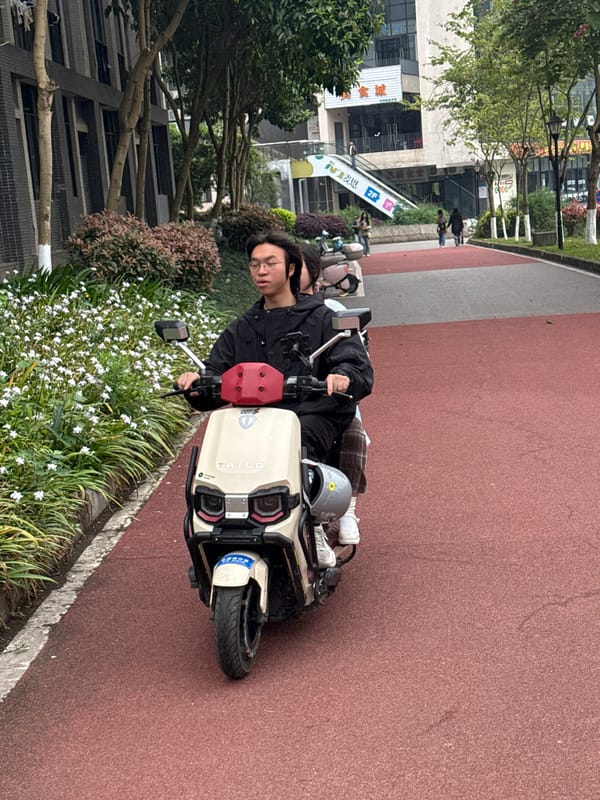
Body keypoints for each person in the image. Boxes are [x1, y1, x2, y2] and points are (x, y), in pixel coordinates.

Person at [176, 231, 374, 568]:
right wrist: (197, 383)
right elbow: (214, 373)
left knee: (301, 442)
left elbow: (354, 365)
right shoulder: (242, 327)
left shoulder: (324, 318)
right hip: (252, 419)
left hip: (310, 413)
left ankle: (312, 528)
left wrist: (341, 375)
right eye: (255, 264)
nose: (261, 271)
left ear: (292, 269)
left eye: (270, 263)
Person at [299, 242, 370, 545]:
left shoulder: (334, 313)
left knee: (352, 429)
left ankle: (346, 510)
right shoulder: (257, 316)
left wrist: (341, 375)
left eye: (293, 265)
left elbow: (356, 357)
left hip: (325, 402)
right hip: (277, 405)